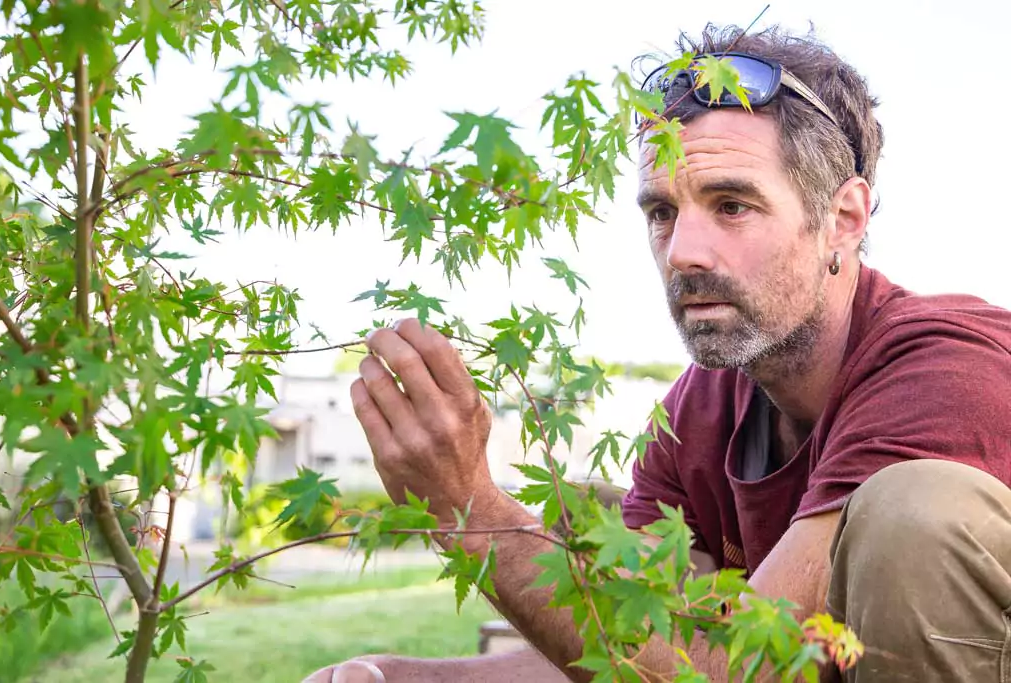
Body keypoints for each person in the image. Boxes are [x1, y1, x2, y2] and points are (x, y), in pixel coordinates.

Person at [305, 24, 1011, 683]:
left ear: (843, 219)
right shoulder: (701, 408)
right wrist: (402, 676)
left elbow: (734, 668)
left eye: (732, 204)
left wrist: (474, 510)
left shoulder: (945, 367)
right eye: (662, 212)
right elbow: (631, 642)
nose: (683, 252)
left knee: (913, 506)